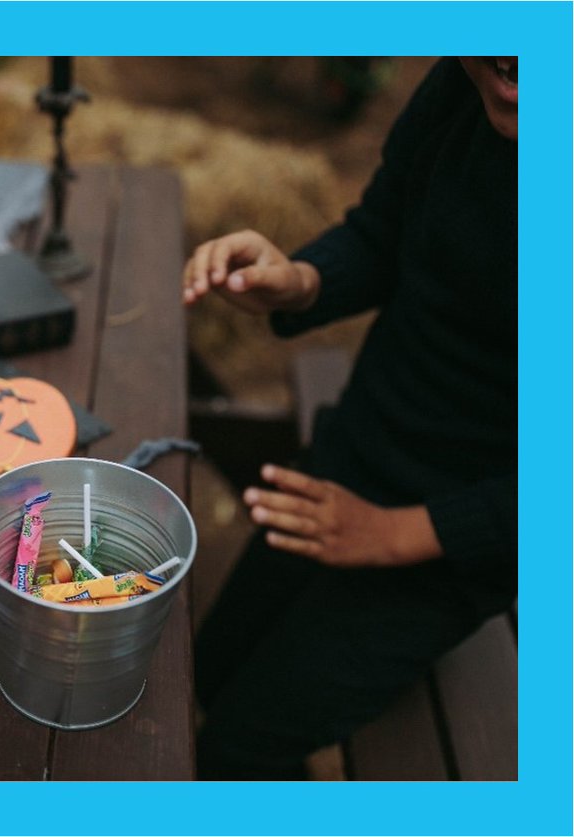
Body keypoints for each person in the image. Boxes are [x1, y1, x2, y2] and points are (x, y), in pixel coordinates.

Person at [182, 57, 517, 779]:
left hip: (466, 541)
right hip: (359, 449)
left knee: (238, 750)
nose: (514, 72)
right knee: (207, 675)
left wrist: (398, 533)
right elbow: (383, 230)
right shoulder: (461, 90)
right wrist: (300, 281)